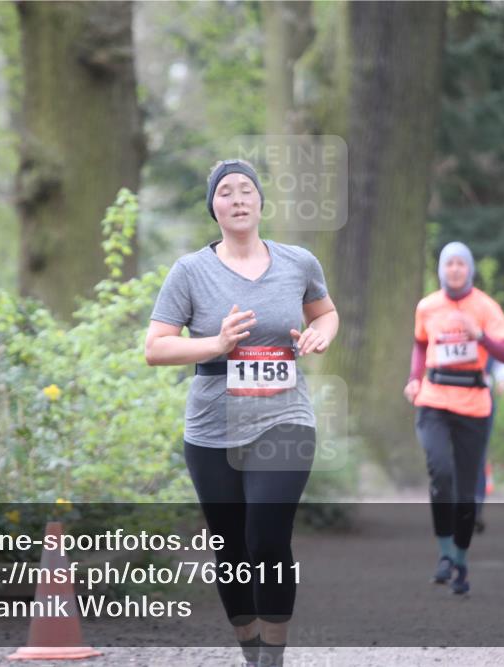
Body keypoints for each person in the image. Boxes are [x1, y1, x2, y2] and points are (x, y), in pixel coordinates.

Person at [145, 159, 339, 667]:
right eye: (225, 191)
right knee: (230, 548)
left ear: (259, 202)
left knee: (267, 536)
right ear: (213, 206)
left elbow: (326, 311)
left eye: (246, 190)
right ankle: (251, 652)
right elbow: (156, 348)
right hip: (212, 428)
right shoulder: (190, 271)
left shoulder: (298, 262)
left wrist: (321, 334)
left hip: (284, 417)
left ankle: (272, 657)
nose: (236, 198)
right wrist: (217, 342)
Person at [403, 242, 504, 594]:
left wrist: (479, 335)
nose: (454, 269)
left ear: (469, 269)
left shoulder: (486, 307)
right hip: (433, 400)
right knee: (441, 472)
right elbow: (421, 344)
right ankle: (444, 554)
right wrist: (414, 379)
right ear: (441, 269)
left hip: (474, 404)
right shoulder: (427, 306)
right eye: (448, 264)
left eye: (460, 264)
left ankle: (461, 560)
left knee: (466, 491)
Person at [474, 356, 504, 533]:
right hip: (449, 399)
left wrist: (501, 378)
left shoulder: (486, 331)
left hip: (482, 398)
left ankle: (476, 509)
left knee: (478, 454)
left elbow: (500, 355)